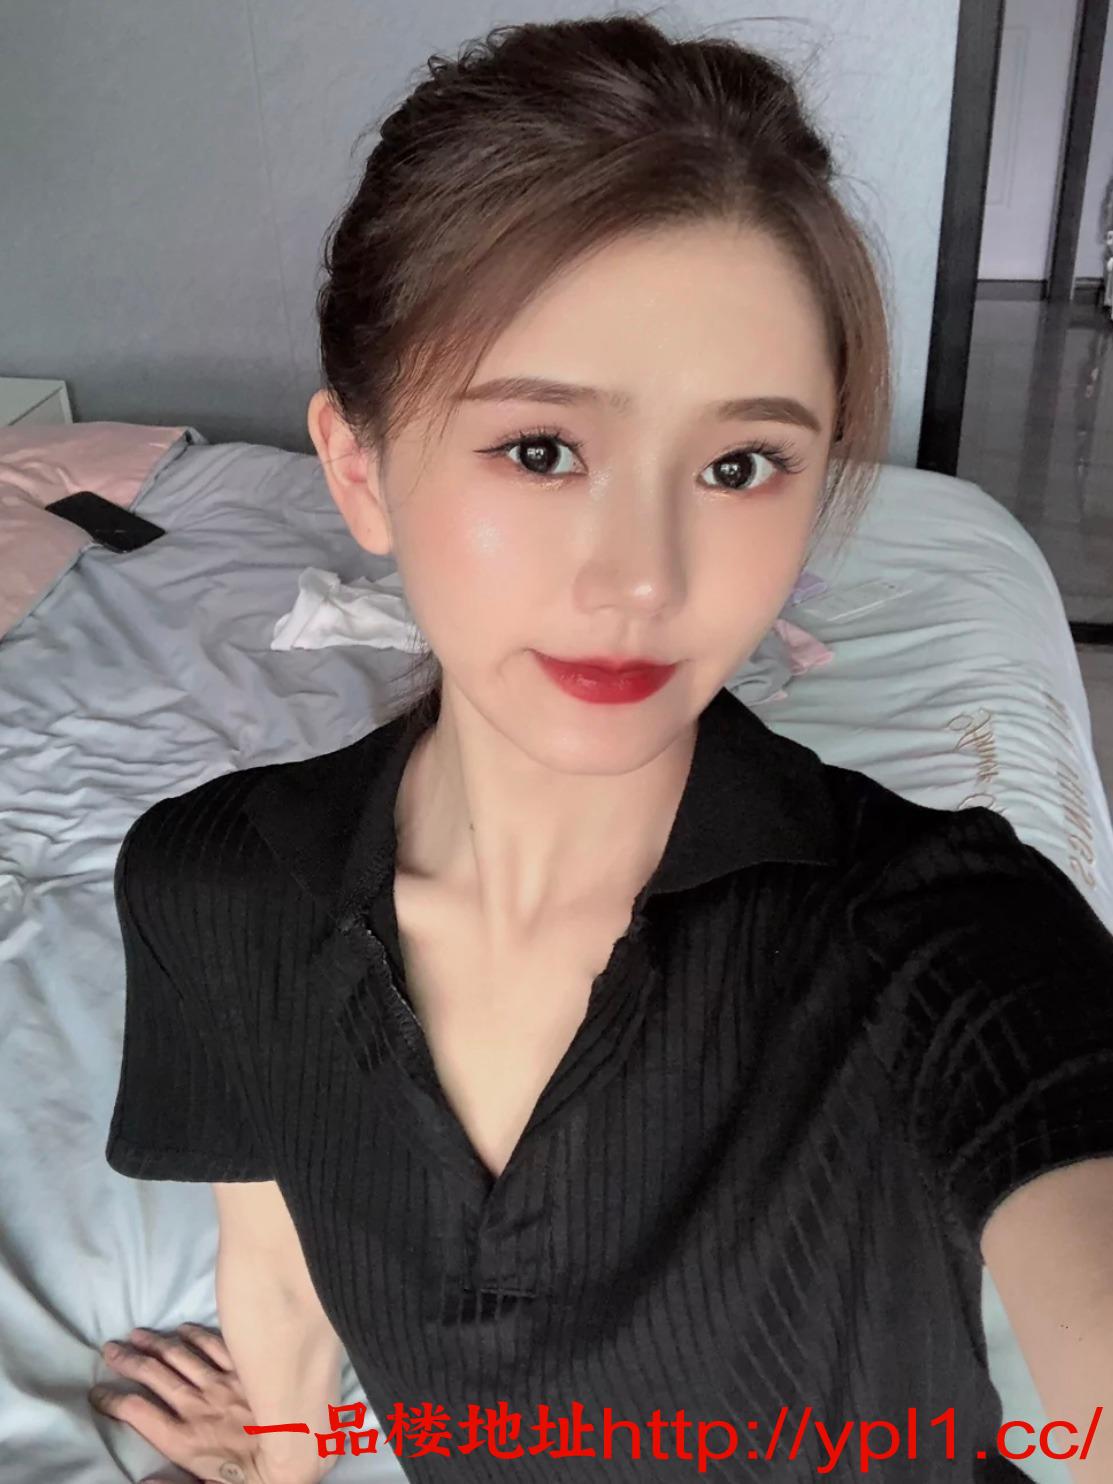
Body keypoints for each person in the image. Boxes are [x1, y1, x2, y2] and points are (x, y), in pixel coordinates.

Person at [90, 11, 1113, 1484]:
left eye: (740, 465)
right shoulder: (211, 888)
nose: (643, 579)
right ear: (358, 468)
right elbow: (282, 1264)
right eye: (542, 450)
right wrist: (282, 1449)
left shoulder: (936, 934)